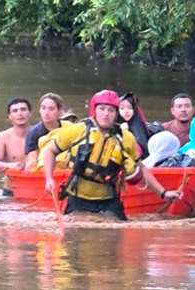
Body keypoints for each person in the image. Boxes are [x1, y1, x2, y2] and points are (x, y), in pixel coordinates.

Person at [42, 89, 179, 220]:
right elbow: (50, 151)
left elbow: (141, 168)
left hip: (109, 201)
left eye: (111, 110)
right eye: (102, 109)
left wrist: (163, 193)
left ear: (116, 113)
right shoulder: (77, 131)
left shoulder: (126, 138)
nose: (106, 114)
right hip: (77, 198)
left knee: (115, 238)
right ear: (94, 110)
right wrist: (49, 178)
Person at [0, 97, 32, 196]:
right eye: (15, 111)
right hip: (11, 191)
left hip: (35, 189)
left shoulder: (41, 135)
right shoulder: (3, 137)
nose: (20, 113)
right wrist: (11, 165)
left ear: (30, 113)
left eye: (23, 109)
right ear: (9, 116)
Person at [24, 92, 64, 170]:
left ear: (59, 111)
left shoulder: (68, 128)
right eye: (43, 108)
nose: (46, 113)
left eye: (51, 109)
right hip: (42, 169)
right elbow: (32, 160)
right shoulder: (33, 132)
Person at [118, 92, 161, 158]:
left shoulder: (140, 127)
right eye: (122, 108)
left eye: (129, 108)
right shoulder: (112, 127)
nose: (126, 111)